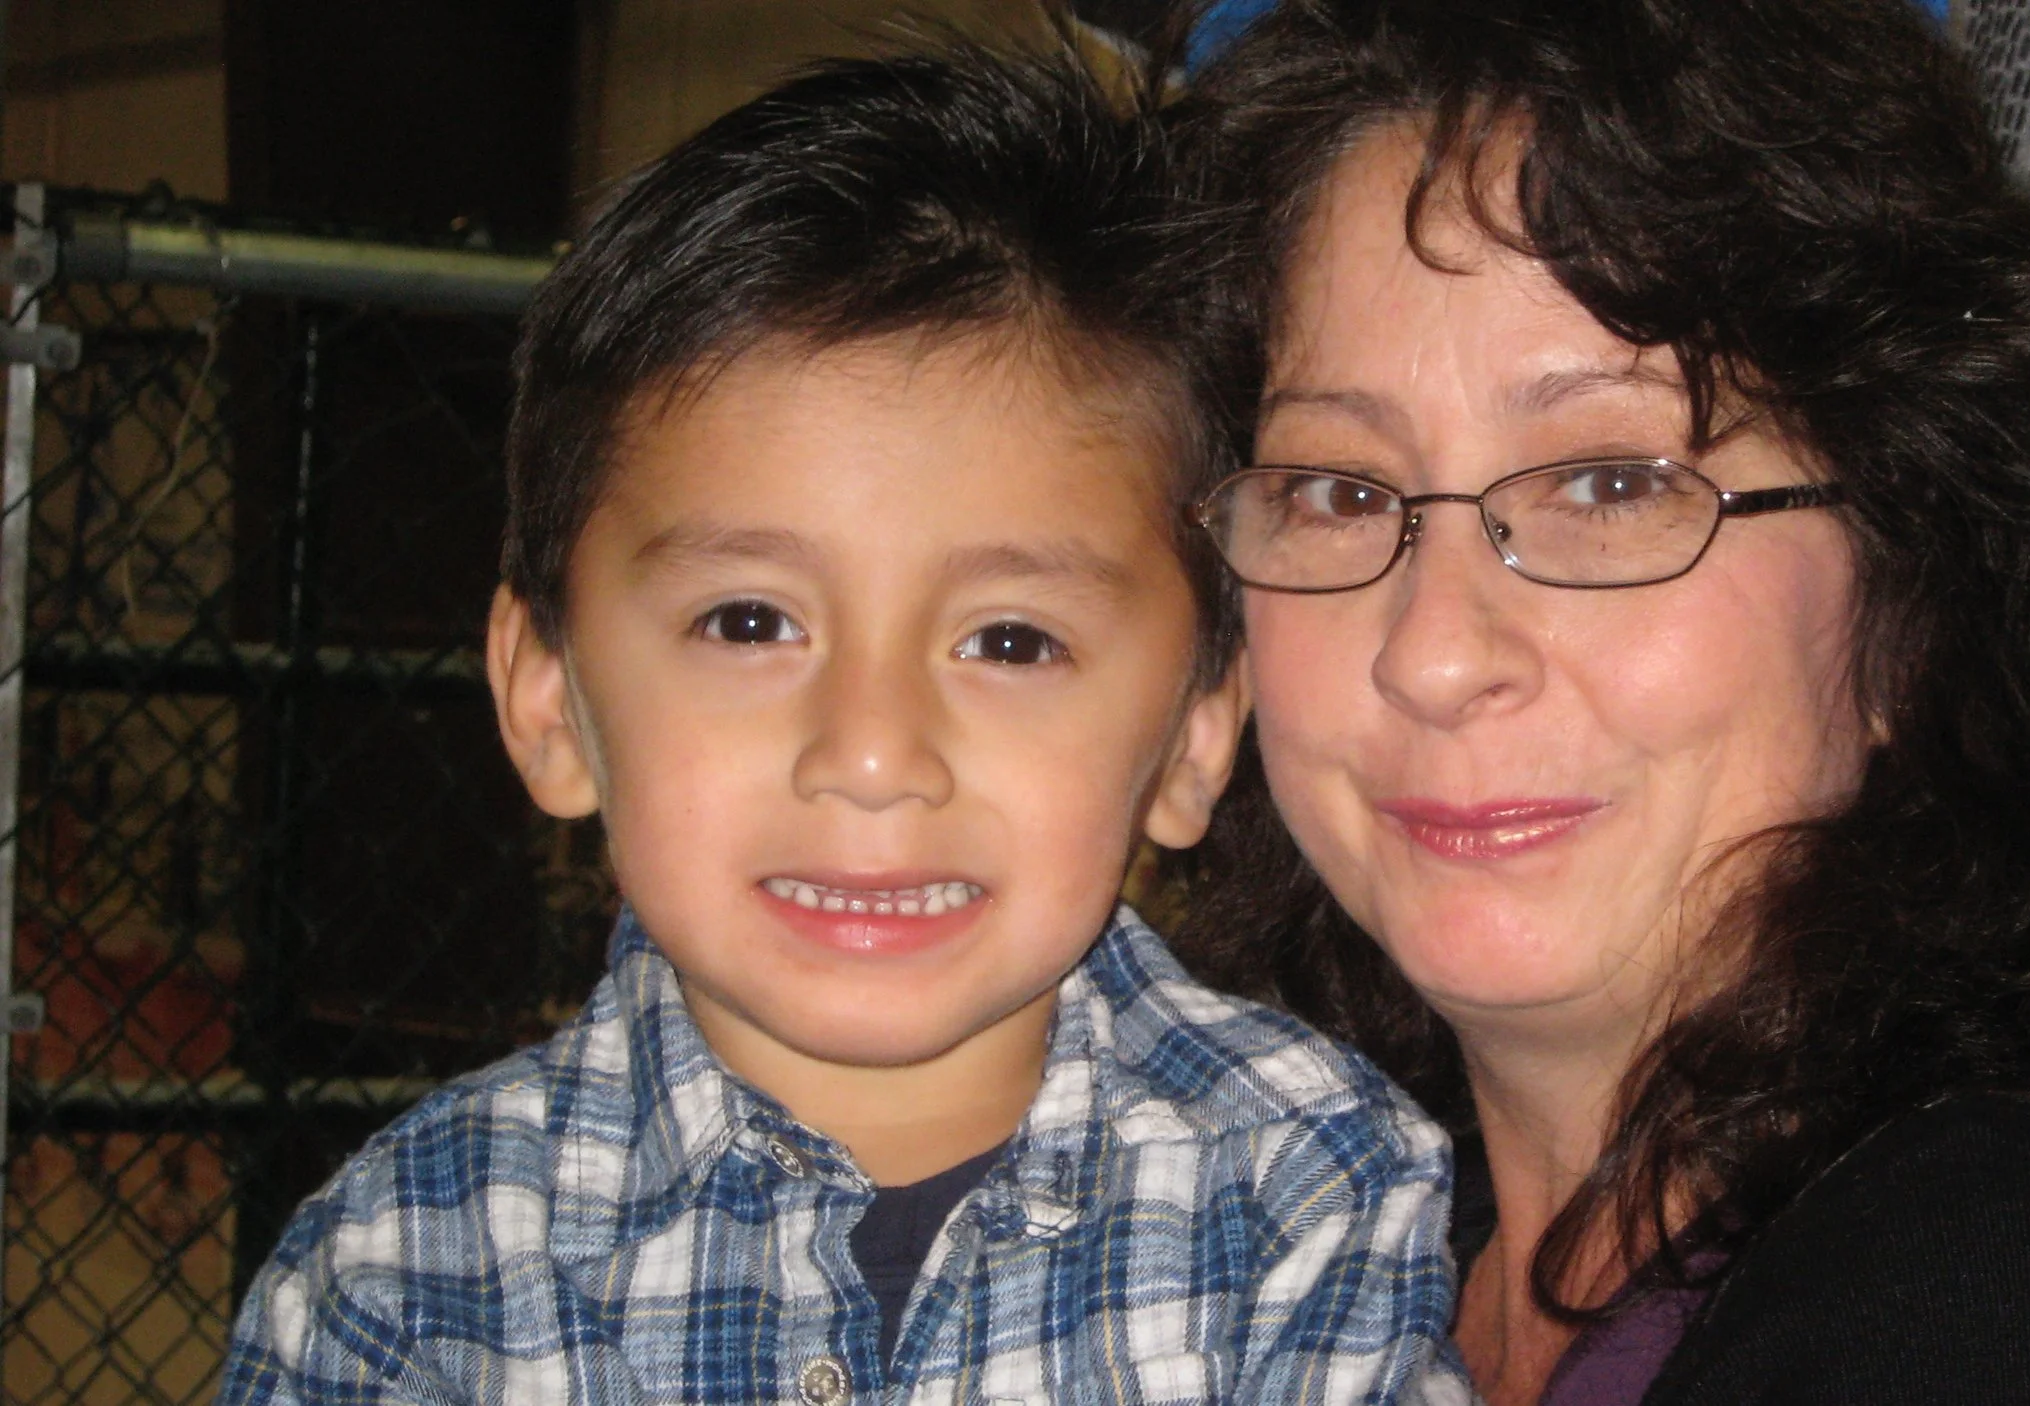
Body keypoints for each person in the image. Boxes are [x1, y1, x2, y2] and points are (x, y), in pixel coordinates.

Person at [1167, 0, 2030, 1401]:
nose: (1430, 653)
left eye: (1612, 484)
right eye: (1335, 492)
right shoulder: (1297, 1239)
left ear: (1916, 591)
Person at [218, 44, 1467, 1406]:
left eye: (1010, 639)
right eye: (749, 622)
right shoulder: (403, 1279)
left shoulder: (1310, 1198)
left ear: (1190, 738)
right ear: (548, 697)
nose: (872, 752)